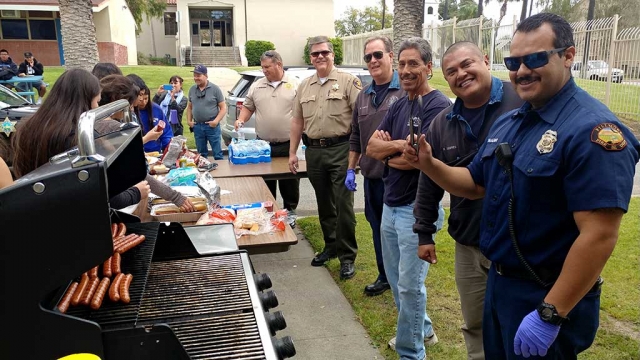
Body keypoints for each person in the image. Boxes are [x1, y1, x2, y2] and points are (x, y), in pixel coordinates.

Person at [403, 13, 640, 359]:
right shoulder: (514, 122)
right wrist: (428, 162)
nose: (522, 70)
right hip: (502, 285)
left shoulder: (592, 131)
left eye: (536, 58)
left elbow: (599, 235)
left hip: (544, 293)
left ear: (568, 55)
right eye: (514, 61)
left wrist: (551, 312)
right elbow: (473, 184)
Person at [413, 41, 523, 360]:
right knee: (475, 323)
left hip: (517, 244)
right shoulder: (443, 123)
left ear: (486, 61)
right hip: (469, 243)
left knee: (516, 324)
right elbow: (429, 180)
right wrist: (424, 233)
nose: (461, 74)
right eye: (451, 71)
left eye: (467, 64)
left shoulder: (521, 104)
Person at [366, 37, 450, 360]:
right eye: (401, 64)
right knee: (399, 280)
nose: (405, 70)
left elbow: (418, 160)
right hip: (390, 204)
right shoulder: (400, 103)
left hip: (416, 210)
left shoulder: (438, 107)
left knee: (409, 286)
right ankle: (424, 330)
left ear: (429, 67)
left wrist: (393, 151)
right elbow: (374, 146)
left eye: (413, 64)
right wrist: (400, 147)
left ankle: (411, 352)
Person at [288, 36, 361, 279]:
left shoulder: (349, 82)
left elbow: (359, 118)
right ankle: (330, 246)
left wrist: (356, 154)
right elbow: (298, 120)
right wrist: (292, 152)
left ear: (332, 55)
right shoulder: (304, 85)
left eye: (324, 52)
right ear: (310, 58)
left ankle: (347, 256)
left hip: (341, 150)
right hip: (314, 152)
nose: (320, 57)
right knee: (324, 203)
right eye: (315, 54)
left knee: (343, 205)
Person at [348, 35, 404, 296]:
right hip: (371, 177)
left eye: (378, 55)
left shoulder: (404, 90)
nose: (373, 61)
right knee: (378, 228)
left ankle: (403, 281)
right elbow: (356, 137)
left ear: (391, 56)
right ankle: (384, 275)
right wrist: (351, 168)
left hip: (399, 178)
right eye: (368, 57)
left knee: (400, 233)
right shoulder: (363, 95)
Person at [97, 74, 195, 212]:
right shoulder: (112, 128)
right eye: (130, 105)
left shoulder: (95, 122)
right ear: (117, 101)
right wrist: (175, 197)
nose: (132, 109)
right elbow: (135, 172)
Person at [234, 50, 301, 212]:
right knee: (265, 183)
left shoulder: (296, 84)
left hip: (288, 145)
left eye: (267, 67)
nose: (264, 70)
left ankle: (290, 213)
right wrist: (241, 119)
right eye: (262, 67)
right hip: (262, 145)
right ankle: (269, 213)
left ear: (279, 64)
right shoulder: (257, 85)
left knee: (289, 183)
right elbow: (248, 107)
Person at [186, 65, 226, 160]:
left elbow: (223, 108)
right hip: (198, 126)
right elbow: (189, 107)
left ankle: (221, 173)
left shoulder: (215, 89)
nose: (196, 78)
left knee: (217, 154)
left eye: (198, 75)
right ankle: (203, 172)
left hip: (211, 125)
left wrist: (216, 121)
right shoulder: (192, 89)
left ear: (206, 75)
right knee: (201, 155)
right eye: (195, 75)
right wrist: (189, 121)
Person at [135, 81, 174, 153]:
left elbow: (166, 133)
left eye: (146, 98)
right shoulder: (131, 112)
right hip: (137, 152)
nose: (143, 102)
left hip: (155, 153)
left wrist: (169, 147)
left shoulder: (156, 109)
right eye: (140, 100)